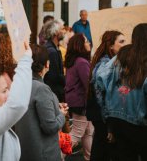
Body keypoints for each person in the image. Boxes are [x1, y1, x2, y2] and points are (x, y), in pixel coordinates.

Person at [95, 23, 147, 161]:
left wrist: (107, 115)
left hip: (118, 121)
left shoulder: (122, 54)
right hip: (141, 123)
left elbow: (100, 80)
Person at [14, 44, 68, 161]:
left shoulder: (19, 84)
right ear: (47, 64)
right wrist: (61, 115)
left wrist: (54, 105)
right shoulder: (41, 88)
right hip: (43, 152)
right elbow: (50, 126)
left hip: (24, 150)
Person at [87, 30, 125, 161]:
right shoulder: (106, 64)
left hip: (100, 116)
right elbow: (102, 97)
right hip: (103, 117)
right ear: (111, 46)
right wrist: (110, 126)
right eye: (121, 42)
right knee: (104, 151)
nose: (124, 45)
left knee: (100, 148)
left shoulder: (108, 61)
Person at [65, 33, 93, 161]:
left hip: (75, 101)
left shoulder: (75, 61)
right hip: (81, 102)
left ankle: (89, 158)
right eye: (86, 41)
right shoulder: (82, 62)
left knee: (87, 132)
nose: (89, 44)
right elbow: (88, 83)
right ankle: (56, 155)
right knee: (76, 134)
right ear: (80, 45)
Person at [43, 19, 66, 102]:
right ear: (55, 32)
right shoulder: (52, 51)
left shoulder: (54, 48)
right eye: (62, 29)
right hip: (54, 93)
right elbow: (54, 76)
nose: (64, 31)